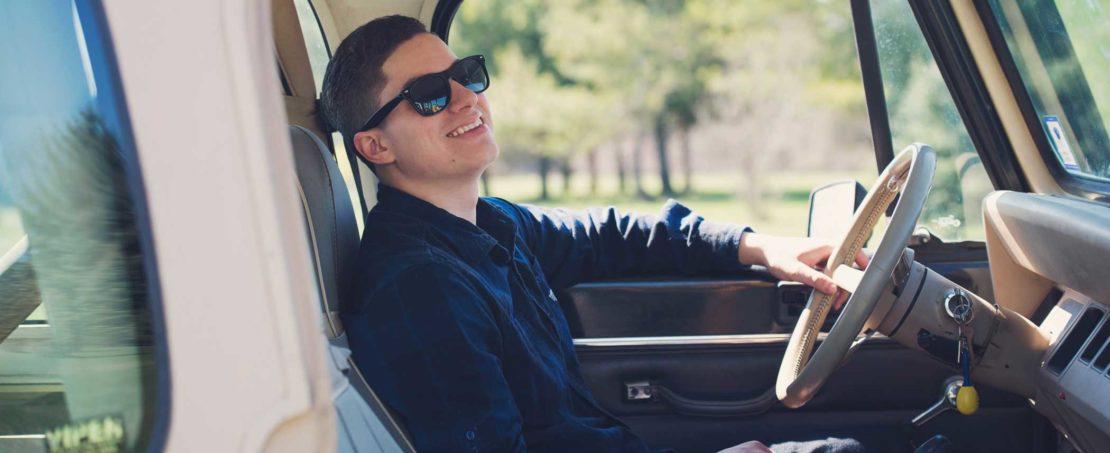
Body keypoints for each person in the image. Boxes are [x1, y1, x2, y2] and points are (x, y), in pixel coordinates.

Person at [318, 15, 865, 453]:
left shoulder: (491, 224)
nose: (465, 97)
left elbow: (610, 235)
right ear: (376, 147)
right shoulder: (419, 287)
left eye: (467, 74)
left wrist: (759, 246)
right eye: (430, 94)